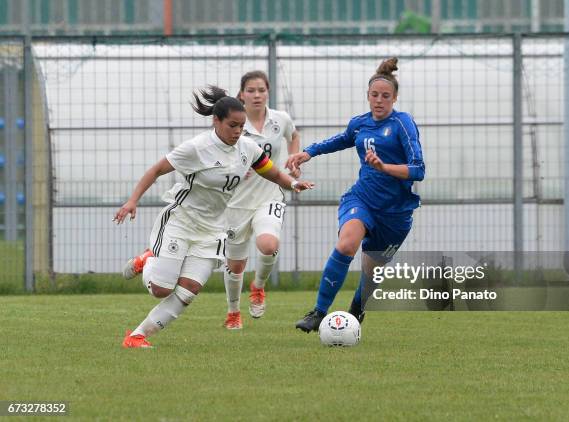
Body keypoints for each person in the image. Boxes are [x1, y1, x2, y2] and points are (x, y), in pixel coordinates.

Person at [114, 86, 313, 348]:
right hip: (181, 221)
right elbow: (156, 170)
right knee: (161, 289)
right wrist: (132, 201)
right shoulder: (197, 148)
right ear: (216, 121)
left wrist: (292, 184)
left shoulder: (247, 148)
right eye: (232, 125)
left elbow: (272, 173)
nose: (237, 131)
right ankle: (148, 258)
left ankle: (137, 336)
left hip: (212, 230)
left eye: (241, 126)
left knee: (188, 291)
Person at [286, 57, 425, 333]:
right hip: (361, 199)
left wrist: (384, 167)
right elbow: (340, 139)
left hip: (396, 213)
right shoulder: (360, 124)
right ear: (368, 96)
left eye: (386, 96)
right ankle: (318, 312)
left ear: (395, 98)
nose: (379, 100)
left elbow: (418, 169)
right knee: (346, 245)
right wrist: (308, 152)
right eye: (374, 95)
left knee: (372, 271)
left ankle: (356, 310)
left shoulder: (403, 123)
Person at [222, 70, 301, 329]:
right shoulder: (234, 125)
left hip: (270, 196)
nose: (257, 95)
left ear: (268, 92)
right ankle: (233, 312)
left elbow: (294, 135)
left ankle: (258, 287)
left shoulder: (280, 119)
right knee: (235, 265)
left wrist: (293, 159)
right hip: (236, 203)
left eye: (261, 90)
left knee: (268, 244)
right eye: (251, 90)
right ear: (241, 94)